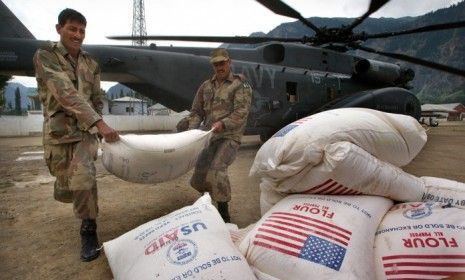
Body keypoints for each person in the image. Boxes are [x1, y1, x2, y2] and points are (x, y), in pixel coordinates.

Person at [33, 8, 119, 262]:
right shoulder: (45, 56)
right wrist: (100, 123)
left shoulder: (91, 63)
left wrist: (96, 123)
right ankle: (82, 212)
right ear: (59, 29)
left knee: (85, 179)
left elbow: (96, 98)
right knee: (66, 187)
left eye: (82, 30)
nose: (78, 35)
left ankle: (88, 231)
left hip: (84, 133)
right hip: (60, 134)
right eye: (72, 29)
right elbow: (64, 92)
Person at [177, 48, 252, 222]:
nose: (219, 67)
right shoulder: (206, 86)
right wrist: (191, 131)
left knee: (217, 169)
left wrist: (223, 123)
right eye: (216, 64)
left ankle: (224, 216)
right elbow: (196, 112)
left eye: (222, 63)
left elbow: (242, 112)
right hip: (209, 136)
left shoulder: (240, 84)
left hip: (230, 136)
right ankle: (209, 203)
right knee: (197, 178)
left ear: (229, 62)